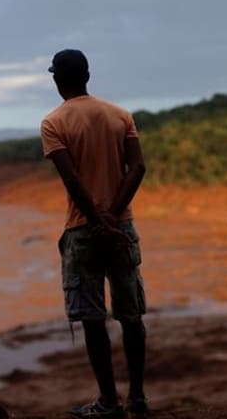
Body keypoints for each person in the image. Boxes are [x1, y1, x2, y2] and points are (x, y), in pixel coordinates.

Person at [40, 49, 149, 418]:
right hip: (121, 228)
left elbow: (71, 178)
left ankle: (108, 402)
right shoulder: (121, 115)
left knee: (92, 317)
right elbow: (138, 168)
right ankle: (137, 398)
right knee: (131, 315)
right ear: (88, 74)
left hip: (83, 230)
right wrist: (114, 218)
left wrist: (98, 222)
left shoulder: (53, 123)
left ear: (57, 80)